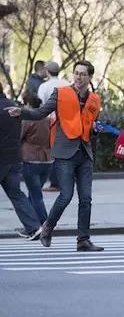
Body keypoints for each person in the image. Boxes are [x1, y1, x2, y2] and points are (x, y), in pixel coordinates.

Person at [5, 60, 104, 251]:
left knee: (86, 199)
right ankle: (48, 227)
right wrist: (22, 112)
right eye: (76, 73)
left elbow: (91, 124)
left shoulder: (95, 100)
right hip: (64, 152)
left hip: (84, 153)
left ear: (90, 77)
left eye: (83, 74)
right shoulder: (61, 93)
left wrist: (95, 129)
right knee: (65, 196)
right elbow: (42, 112)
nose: (78, 77)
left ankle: (83, 240)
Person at [0, 82, 42, 240]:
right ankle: (33, 227)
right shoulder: (12, 106)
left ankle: (33, 227)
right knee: (16, 194)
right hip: (14, 158)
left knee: (16, 194)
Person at [20, 91, 52, 225]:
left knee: (36, 196)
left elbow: (19, 137)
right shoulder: (48, 119)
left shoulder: (28, 119)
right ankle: (32, 224)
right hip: (47, 160)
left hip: (30, 160)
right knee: (33, 194)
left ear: (27, 104)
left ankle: (45, 225)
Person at [37, 61, 69, 193]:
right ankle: (66, 180)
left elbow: (41, 105)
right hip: (68, 121)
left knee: (53, 152)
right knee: (66, 151)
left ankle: (55, 182)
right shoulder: (67, 84)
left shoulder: (44, 86)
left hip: (51, 121)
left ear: (47, 71)